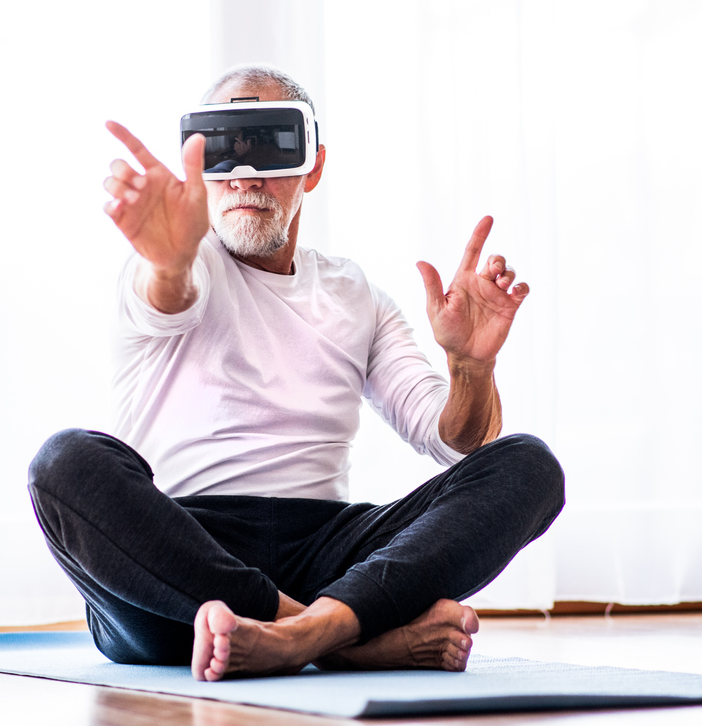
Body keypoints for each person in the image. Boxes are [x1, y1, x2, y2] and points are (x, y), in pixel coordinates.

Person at [27, 65, 564, 683]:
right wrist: (169, 262)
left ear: (313, 164)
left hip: (327, 555)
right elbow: (170, 292)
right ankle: (340, 641)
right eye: (224, 151)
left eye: (271, 146)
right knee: (64, 462)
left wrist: (472, 366)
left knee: (530, 465)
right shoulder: (173, 262)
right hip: (179, 568)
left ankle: (308, 631)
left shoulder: (354, 293)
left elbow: (456, 442)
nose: (247, 175)